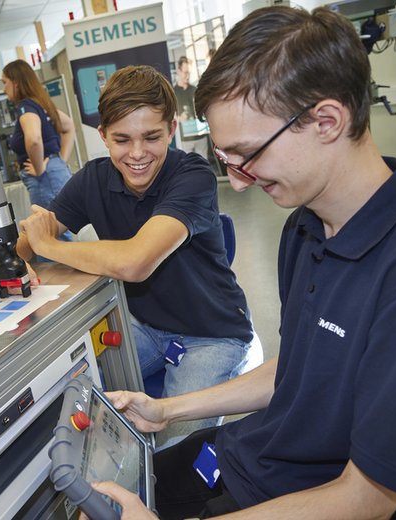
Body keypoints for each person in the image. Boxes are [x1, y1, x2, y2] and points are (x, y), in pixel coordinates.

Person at [83, 6, 396, 519]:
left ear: (326, 121)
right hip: (255, 455)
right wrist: (168, 408)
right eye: (227, 160)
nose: (238, 184)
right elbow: (300, 367)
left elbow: (368, 498)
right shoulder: (304, 228)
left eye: (248, 154)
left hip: (317, 497)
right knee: (105, 495)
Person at [17, 65, 259, 446]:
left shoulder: (193, 176)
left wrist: (49, 245)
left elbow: (135, 262)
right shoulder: (93, 179)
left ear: (172, 130)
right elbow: (27, 246)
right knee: (65, 390)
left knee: (175, 452)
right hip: (145, 326)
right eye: (122, 139)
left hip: (213, 335)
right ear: (103, 136)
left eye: (151, 137)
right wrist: (32, 238)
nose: (137, 153)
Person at [1, 59, 75, 213]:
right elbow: (69, 126)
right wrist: (60, 160)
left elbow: (34, 139)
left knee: (50, 226)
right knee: (62, 223)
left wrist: (39, 169)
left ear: (16, 82)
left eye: (4, 82)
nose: (3, 89)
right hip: (55, 172)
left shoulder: (26, 107)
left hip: (45, 177)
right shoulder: (40, 104)